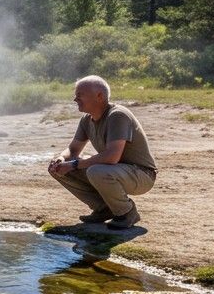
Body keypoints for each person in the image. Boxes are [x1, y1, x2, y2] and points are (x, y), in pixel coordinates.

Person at [47, 75, 156, 229]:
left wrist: (75, 164)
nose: (75, 99)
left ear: (99, 96)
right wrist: (60, 158)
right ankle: (103, 208)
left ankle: (126, 212)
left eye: (80, 95)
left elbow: (112, 157)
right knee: (60, 168)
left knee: (96, 171)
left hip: (142, 175)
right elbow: (73, 150)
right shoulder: (86, 119)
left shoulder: (117, 115)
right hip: (115, 171)